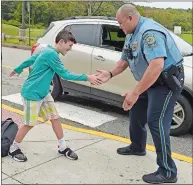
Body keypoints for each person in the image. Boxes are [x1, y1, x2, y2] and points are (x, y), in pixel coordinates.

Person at [96, 3, 184, 184]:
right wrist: (110, 73)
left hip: (165, 81)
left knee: (156, 121)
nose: (120, 27)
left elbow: (157, 65)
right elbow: (124, 60)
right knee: (136, 109)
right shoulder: (131, 33)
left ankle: (168, 171)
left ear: (130, 18)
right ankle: (137, 147)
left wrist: (135, 92)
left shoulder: (149, 33)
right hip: (151, 79)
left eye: (121, 23)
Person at [9, 30, 102, 162]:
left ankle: (62, 146)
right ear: (61, 42)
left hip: (44, 92)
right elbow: (65, 74)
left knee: (55, 118)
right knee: (29, 123)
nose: (70, 49)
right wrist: (88, 77)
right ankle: (13, 148)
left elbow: (31, 59)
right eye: (69, 46)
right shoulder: (51, 54)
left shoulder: (47, 50)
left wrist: (18, 68)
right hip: (32, 93)